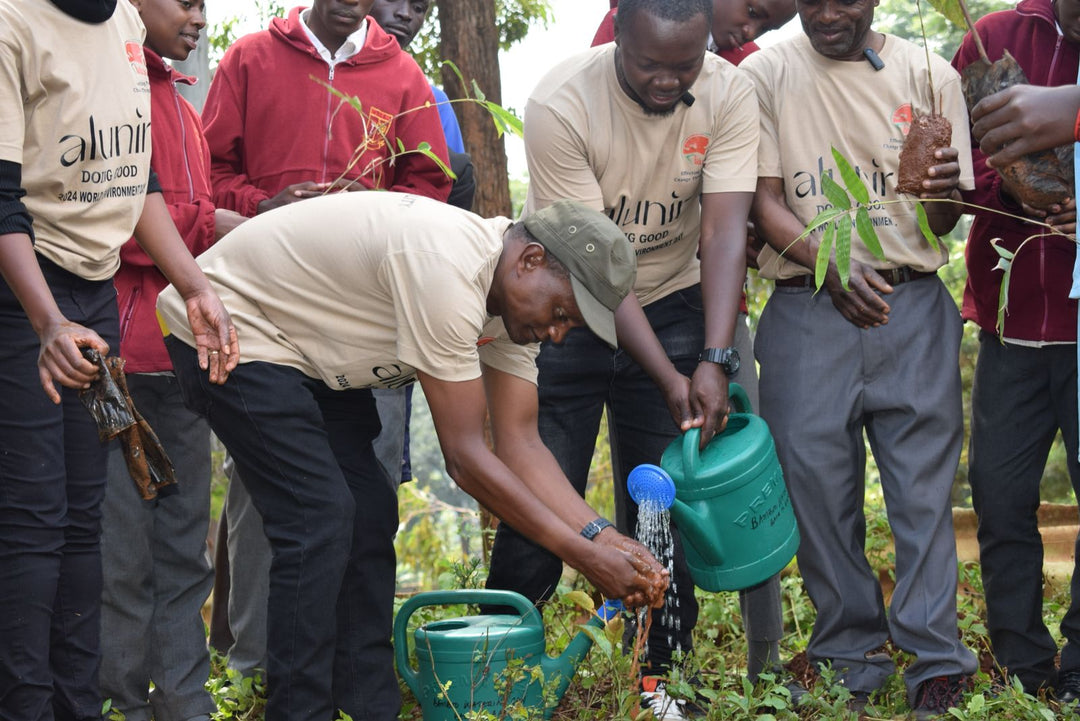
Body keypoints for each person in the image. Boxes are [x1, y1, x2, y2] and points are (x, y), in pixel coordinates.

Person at [155, 190, 669, 721]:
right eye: (561, 312)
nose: (558, 332)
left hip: (312, 355)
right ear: (531, 260)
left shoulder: (512, 305)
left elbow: (522, 445)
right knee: (318, 516)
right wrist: (584, 558)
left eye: (571, 324)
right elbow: (466, 459)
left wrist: (605, 538)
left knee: (370, 513)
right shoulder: (448, 270)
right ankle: (299, 711)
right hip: (233, 323)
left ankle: (368, 708)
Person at [484, 0, 763, 717]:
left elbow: (726, 231)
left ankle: (655, 682)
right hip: (567, 308)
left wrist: (712, 355)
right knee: (541, 497)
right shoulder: (561, 103)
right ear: (617, 37)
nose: (669, 81)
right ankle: (501, 675)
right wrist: (670, 375)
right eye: (649, 64)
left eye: (686, 65)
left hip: (672, 306)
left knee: (661, 506)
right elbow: (593, 271)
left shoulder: (730, 92)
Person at [740, 0, 979, 715]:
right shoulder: (768, 71)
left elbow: (945, 212)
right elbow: (764, 201)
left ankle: (937, 656)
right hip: (807, 304)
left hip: (912, 303)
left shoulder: (928, 71)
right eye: (811, 0)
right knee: (814, 484)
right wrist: (830, 261)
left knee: (924, 489)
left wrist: (941, 195)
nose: (826, 13)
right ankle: (849, 649)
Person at [0, 0, 237, 719]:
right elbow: (2, 206)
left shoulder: (126, 29)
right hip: (26, 299)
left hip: (96, 301)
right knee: (34, 523)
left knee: (84, 523)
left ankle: (78, 706)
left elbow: (138, 184)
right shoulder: (15, 25)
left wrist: (193, 284)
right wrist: (47, 323)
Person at [201, 0, 452, 677]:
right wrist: (265, 207)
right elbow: (206, 176)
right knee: (261, 488)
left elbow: (428, 191)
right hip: (260, 314)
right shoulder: (250, 59)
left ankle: (346, 664)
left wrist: (364, 220)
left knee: (365, 487)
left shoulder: (402, 76)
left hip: (362, 324)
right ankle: (254, 667)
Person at [96, 0, 248, 719]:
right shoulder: (118, 90)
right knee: (123, 548)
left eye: (202, 5)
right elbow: (120, 223)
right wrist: (191, 237)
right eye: (182, 2)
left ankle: (184, 701)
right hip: (120, 362)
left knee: (186, 544)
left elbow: (195, 211)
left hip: (185, 360)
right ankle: (122, 699)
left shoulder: (183, 102)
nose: (196, 17)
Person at [951, 0, 1080, 699]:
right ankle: (1022, 662)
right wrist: (1017, 189)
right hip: (1012, 325)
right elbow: (956, 171)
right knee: (999, 499)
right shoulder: (993, 37)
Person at [590, 0, 795, 66]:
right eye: (752, 12)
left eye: (765, 29)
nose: (751, 32)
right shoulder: (633, 26)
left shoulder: (747, 62)